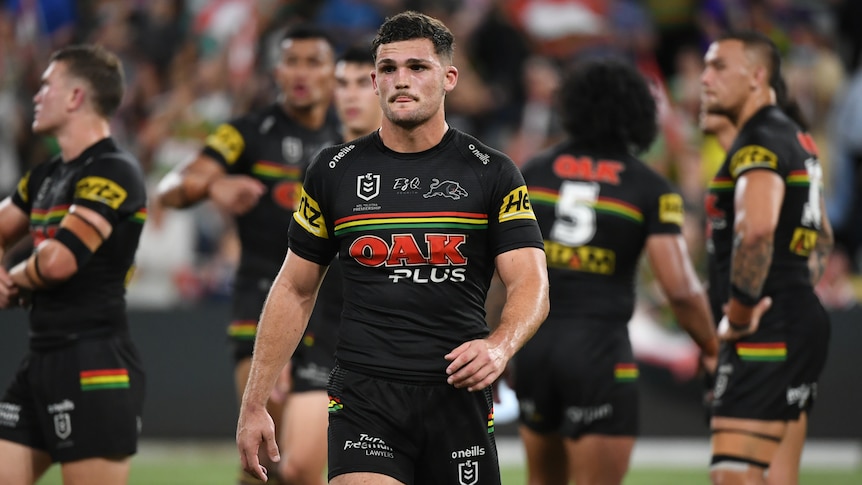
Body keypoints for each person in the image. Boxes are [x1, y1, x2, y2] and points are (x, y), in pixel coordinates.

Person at [236, 10, 550, 485]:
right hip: (365, 397)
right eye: (388, 69)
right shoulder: (334, 170)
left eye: (417, 68)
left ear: (449, 78)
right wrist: (255, 402)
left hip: (456, 396)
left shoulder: (493, 171)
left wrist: (499, 346)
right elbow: (295, 289)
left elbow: (530, 281)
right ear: (374, 79)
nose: (401, 80)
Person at [508, 58, 719, 485]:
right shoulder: (649, 188)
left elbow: (499, 271)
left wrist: (501, 343)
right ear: (638, 113)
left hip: (534, 349)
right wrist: (712, 348)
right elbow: (679, 289)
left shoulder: (532, 174)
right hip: (598, 355)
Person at [157, 25, 340, 485]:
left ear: (334, 72)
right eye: (291, 61)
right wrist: (215, 184)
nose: (301, 72)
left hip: (336, 306)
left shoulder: (352, 137)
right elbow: (171, 188)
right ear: (276, 71)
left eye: (313, 61)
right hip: (261, 299)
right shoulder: (246, 133)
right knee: (262, 458)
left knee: (302, 467)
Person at [0, 44, 147, 485]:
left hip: (95, 360)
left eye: (47, 85)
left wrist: (14, 277)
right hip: (40, 359)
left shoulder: (114, 170)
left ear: (75, 97)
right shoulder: (45, 176)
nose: (37, 95)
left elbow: (61, 261)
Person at [701, 31, 833, 485]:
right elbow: (823, 238)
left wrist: (739, 314)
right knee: (777, 478)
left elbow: (755, 230)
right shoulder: (793, 136)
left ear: (758, 76)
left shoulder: (759, 139)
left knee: (733, 476)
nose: (704, 79)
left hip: (765, 325)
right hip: (793, 318)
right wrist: (794, 286)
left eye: (718, 67)